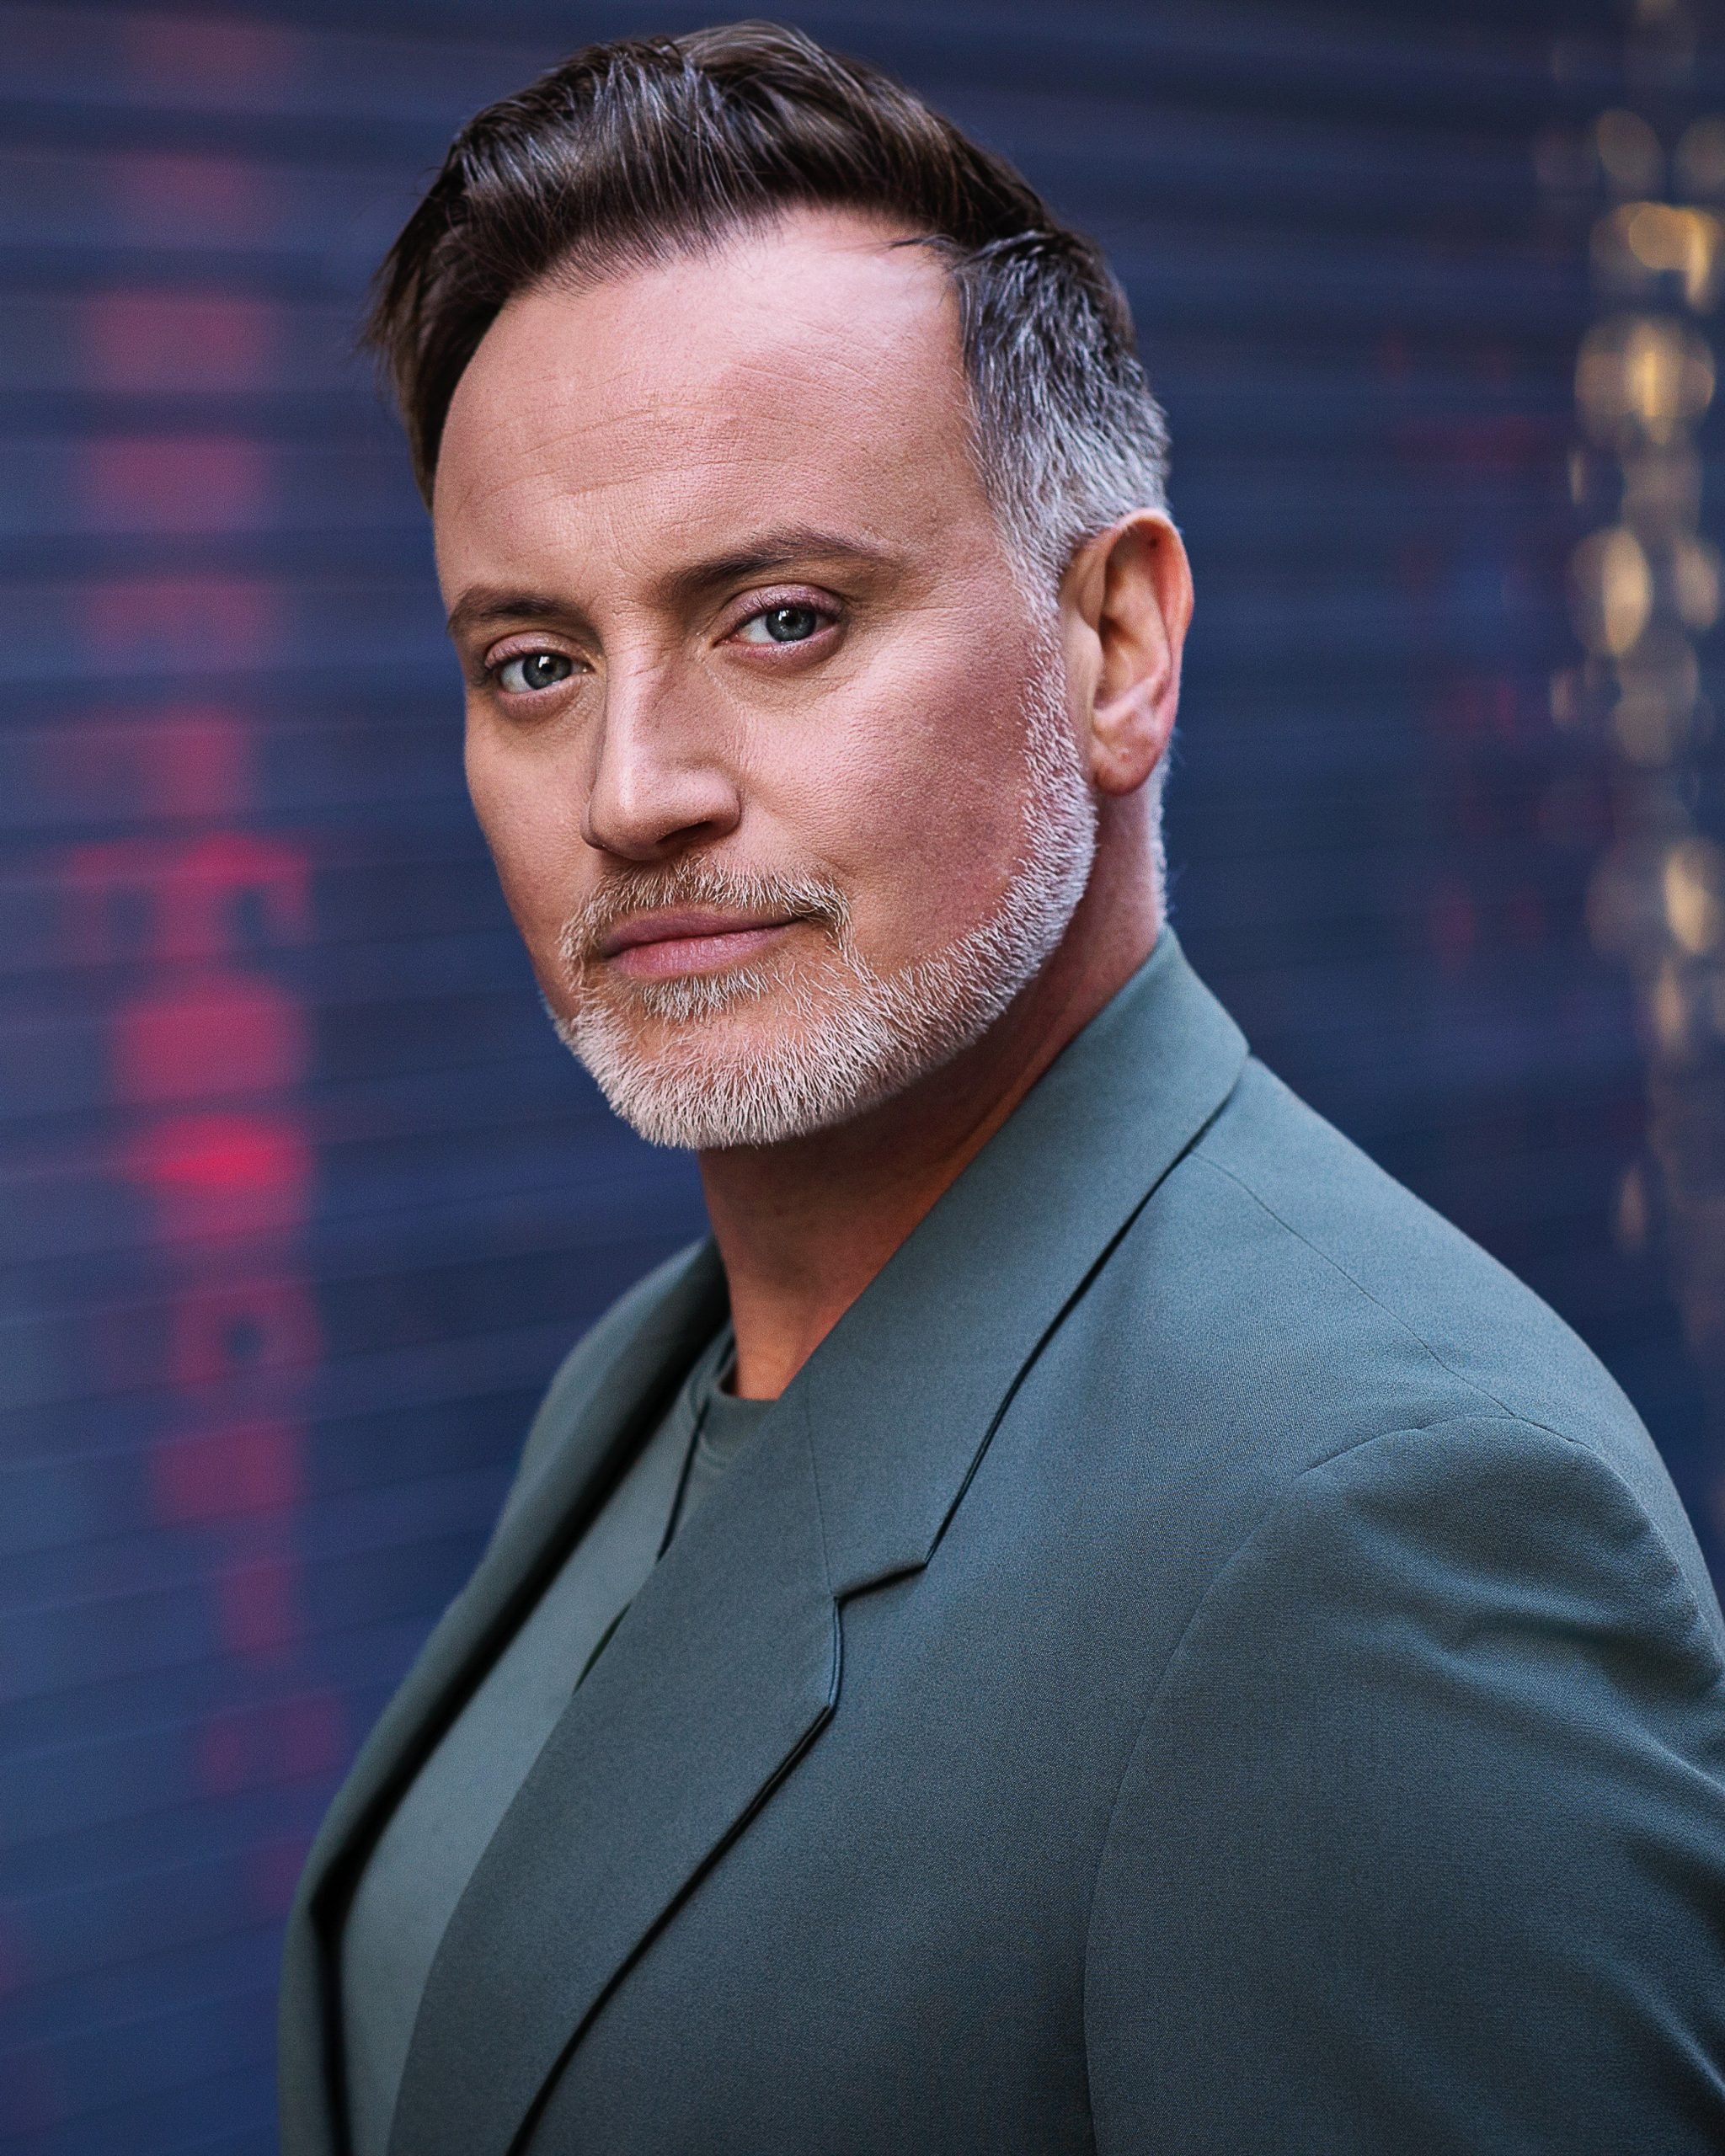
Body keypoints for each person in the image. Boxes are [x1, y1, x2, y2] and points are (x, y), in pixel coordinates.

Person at [279, 24, 1725, 2155]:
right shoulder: (648, 1375)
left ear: (1116, 642)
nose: (632, 790)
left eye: (777, 617)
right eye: (533, 662)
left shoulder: (1377, 1528)